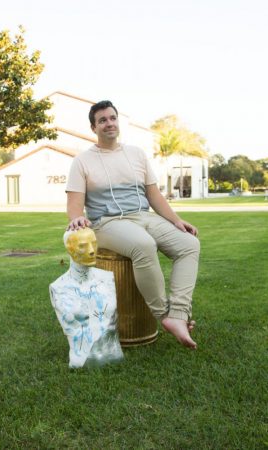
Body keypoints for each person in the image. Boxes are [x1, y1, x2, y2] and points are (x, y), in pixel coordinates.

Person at [66, 100, 200, 349]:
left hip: (144, 216)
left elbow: (154, 195)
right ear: (93, 127)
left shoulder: (136, 154)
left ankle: (179, 315)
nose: (109, 123)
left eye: (112, 118)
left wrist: (176, 220)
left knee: (189, 244)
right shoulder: (82, 161)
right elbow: (74, 204)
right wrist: (76, 218)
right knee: (143, 245)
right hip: (107, 222)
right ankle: (164, 314)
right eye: (102, 120)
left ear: (118, 121)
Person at [49, 227, 123, 368]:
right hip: (82, 361)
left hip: (114, 354)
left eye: (94, 243)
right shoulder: (58, 287)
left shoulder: (107, 278)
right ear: (69, 249)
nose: (91, 250)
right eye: (82, 246)